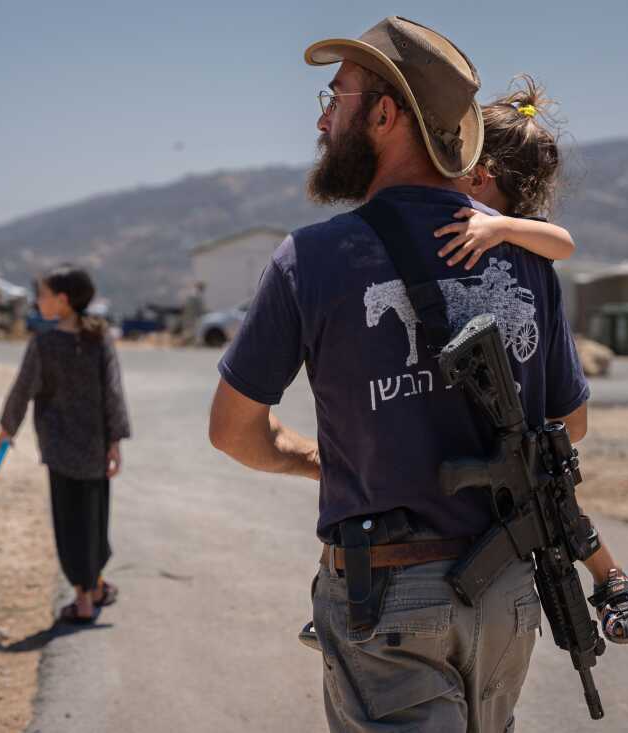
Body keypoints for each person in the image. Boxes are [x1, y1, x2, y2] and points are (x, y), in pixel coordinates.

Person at [209, 16, 590, 731]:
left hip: (387, 597)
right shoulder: (526, 258)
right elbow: (569, 423)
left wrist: (318, 460)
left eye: (337, 96)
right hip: (509, 588)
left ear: (385, 114)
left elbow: (233, 431)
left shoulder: (312, 258)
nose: (323, 118)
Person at [434, 76, 628, 645]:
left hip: (525, 435)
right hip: (492, 417)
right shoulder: (481, 237)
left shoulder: (515, 238)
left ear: (480, 175)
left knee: (563, 514)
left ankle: (613, 582)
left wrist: (500, 226)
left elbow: (565, 243)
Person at [0, 264, 131, 624]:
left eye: (42, 295)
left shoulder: (43, 344)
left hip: (59, 450)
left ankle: (83, 599)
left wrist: (7, 429)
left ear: (63, 301)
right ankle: (96, 587)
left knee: (69, 522)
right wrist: (114, 441)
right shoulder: (100, 339)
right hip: (94, 448)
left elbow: (22, 389)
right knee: (95, 521)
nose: (37, 301)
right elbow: (113, 392)